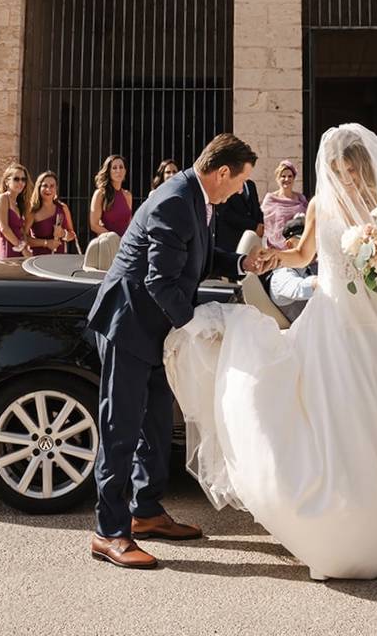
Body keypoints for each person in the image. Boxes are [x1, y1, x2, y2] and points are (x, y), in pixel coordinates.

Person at [164, 124, 377, 580]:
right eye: (337, 171)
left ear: (363, 167)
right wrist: (269, 258)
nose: (345, 179)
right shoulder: (321, 204)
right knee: (340, 414)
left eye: (351, 170)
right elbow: (303, 255)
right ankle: (348, 516)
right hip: (335, 321)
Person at [85, 133, 265, 569]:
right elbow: (159, 281)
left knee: (157, 423)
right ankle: (109, 532)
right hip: (129, 326)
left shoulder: (196, 197)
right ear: (222, 173)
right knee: (119, 427)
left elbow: (197, 257)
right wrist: (193, 323)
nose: (241, 190)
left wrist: (242, 263)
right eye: (240, 181)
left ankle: (145, 513)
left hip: (155, 331)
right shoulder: (174, 199)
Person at [267, 214, 316, 322]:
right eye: (305, 242)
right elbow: (299, 288)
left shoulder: (311, 266)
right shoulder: (280, 275)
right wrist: (323, 282)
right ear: (289, 245)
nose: (313, 246)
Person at [261, 160, 308, 249]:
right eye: (283, 176)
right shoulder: (270, 198)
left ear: (294, 178)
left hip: (298, 247)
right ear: (278, 178)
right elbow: (265, 223)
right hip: (277, 248)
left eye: (290, 176)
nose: (287, 179)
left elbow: (308, 220)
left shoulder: (301, 198)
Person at [26, 171, 76, 255]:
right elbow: (24, 238)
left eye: (52, 186)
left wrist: (63, 233)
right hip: (39, 259)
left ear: (56, 188)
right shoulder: (33, 210)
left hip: (59, 259)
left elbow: (72, 234)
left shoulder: (63, 207)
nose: (48, 189)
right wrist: (46, 243)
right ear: (39, 187)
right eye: (45, 185)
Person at [0, 164, 33, 259]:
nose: (21, 182)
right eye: (16, 179)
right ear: (7, 181)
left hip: (20, 253)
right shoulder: (3, 199)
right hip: (9, 253)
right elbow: (4, 228)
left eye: (23, 179)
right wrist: (22, 249)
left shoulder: (18, 204)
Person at [214, 178, 264, 253]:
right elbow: (226, 213)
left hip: (250, 241)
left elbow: (256, 208)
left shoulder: (250, 184)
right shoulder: (225, 183)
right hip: (230, 240)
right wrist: (254, 226)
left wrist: (261, 225)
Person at [89, 154, 133, 237]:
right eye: (114, 168)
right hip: (108, 244)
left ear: (125, 171)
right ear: (108, 171)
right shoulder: (100, 194)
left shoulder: (128, 195)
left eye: (121, 167)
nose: (118, 170)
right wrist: (113, 238)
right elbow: (94, 225)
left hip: (125, 245)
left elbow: (129, 223)